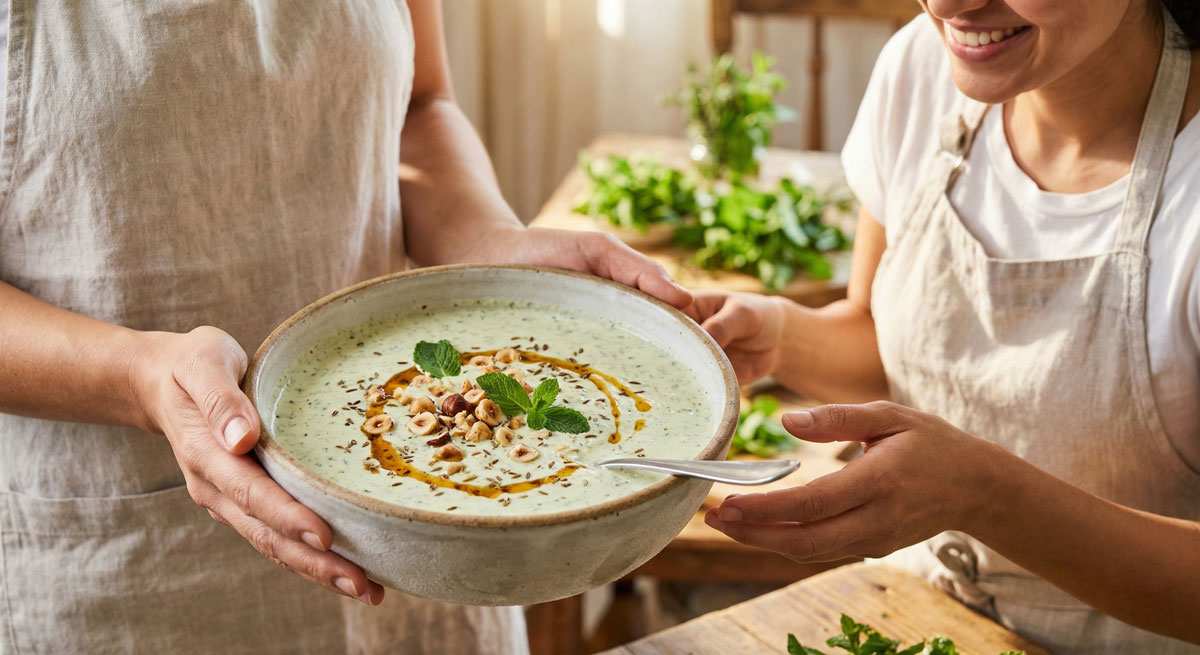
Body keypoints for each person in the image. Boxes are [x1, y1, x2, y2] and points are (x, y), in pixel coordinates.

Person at [0, 1, 690, 653]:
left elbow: (419, 106)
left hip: (435, 546)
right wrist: (140, 377)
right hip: (135, 568)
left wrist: (485, 240)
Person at [689, 1, 1200, 653]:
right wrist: (783, 334)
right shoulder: (922, 68)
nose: (949, 4)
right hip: (906, 612)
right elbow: (888, 338)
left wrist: (986, 496)